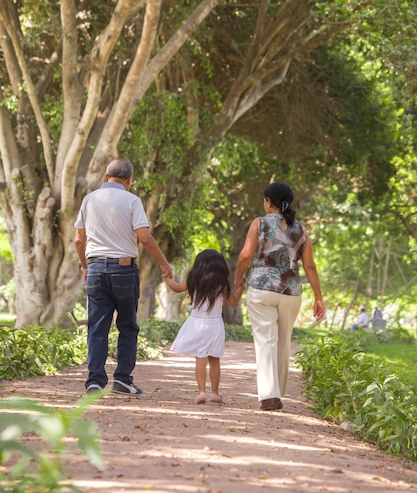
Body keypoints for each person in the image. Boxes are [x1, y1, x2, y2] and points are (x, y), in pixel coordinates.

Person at [74, 158, 173, 395]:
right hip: (124, 270)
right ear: (129, 180)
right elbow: (145, 238)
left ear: (106, 176)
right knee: (127, 325)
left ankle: (95, 381)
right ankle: (122, 380)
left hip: (95, 268)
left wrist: (84, 267)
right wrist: (164, 263)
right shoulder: (132, 200)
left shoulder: (89, 199)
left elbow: (79, 239)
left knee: (97, 327)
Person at [234, 181, 325, 411]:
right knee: (283, 341)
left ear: (268, 201)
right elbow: (310, 266)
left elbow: (245, 255)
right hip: (291, 291)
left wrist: (238, 278)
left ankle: (269, 394)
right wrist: (319, 297)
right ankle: (277, 392)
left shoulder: (259, 223)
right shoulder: (301, 229)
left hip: (261, 288)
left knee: (265, 340)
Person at [164, 249, 244, 405]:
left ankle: (201, 392)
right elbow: (233, 301)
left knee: (200, 358)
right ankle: (214, 393)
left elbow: (176, 288)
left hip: (197, 323)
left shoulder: (193, 281)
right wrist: (241, 287)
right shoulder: (222, 285)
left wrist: (167, 279)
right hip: (215, 324)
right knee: (214, 360)